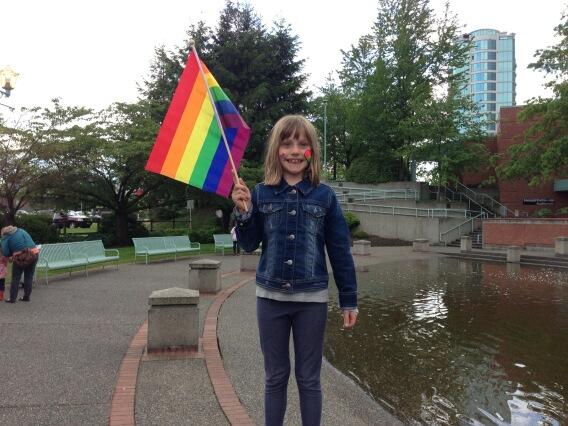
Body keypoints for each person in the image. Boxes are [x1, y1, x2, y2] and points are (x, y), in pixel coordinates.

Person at [231, 115, 358, 426]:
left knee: (309, 378)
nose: (295, 151)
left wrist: (349, 299)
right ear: (277, 150)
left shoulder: (324, 196)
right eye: (287, 144)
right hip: (270, 299)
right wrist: (244, 212)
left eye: (302, 144)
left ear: (312, 151)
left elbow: (340, 251)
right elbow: (248, 244)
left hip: (311, 302)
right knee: (275, 376)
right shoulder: (260, 193)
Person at [1, 226, 40, 303]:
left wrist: (11, 253)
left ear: (4, 233)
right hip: (34, 254)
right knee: (29, 276)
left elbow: (6, 253)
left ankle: (12, 299)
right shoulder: (21, 230)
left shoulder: (6, 237)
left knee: (16, 278)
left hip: (21, 257)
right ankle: (26, 297)